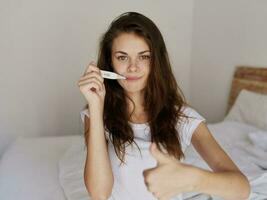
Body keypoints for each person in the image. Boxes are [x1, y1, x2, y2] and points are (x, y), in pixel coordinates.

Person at [77, 12, 250, 200]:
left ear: (156, 61)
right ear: (110, 63)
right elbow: (99, 193)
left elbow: (242, 189)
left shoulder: (183, 117)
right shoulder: (96, 114)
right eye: (122, 57)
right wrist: (95, 107)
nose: (133, 67)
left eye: (143, 57)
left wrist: (193, 179)